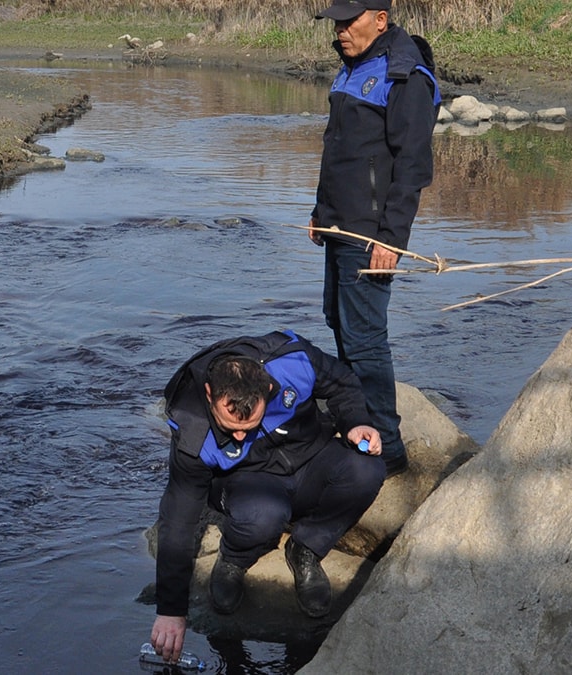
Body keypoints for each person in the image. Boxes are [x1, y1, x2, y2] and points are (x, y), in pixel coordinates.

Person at [147, 330, 386, 664]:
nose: (241, 434)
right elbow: (179, 515)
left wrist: (356, 422)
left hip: (311, 457)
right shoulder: (192, 426)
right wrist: (171, 610)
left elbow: (343, 382)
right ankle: (234, 559)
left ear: (268, 388)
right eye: (231, 426)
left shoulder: (291, 361)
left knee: (367, 471)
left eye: (251, 423)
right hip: (247, 481)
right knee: (262, 514)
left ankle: (306, 547)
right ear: (209, 393)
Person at [307, 0, 441, 478]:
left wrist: (392, 238)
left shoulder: (406, 75)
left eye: (349, 22)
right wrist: (321, 213)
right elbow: (339, 150)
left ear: (380, 19)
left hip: (370, 234)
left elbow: (412, 168)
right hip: (339, 225)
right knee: (338, 322)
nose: (340, 31)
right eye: (336, 23)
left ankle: (387, 446)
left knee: (364, 339)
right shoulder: (352, 69)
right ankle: (356, 421)